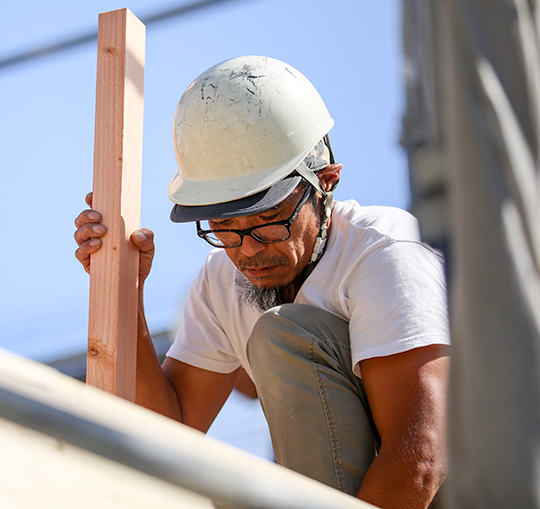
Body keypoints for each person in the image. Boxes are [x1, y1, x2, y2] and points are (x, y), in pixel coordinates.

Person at [74, 56, 450, 508]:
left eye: (269, 221)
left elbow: (421, 459)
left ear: (325, 182)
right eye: (225, 227)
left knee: (283, 333)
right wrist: (123, 291)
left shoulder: (382, 253)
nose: (247, 249)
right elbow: (168, 432)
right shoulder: (220, 283)